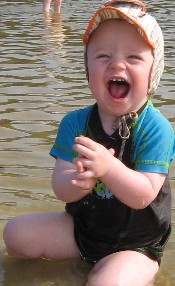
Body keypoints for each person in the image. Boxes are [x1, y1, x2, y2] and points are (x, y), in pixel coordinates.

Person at [3, 1, 175, 285]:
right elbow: (59, 186)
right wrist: (76, 182)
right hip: (83, 231)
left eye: (133, 57)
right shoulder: (75, 123)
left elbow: (144, 194)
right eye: (103, 55)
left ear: (153, 72)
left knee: (105, 283)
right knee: (16, 234)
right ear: (87, 69)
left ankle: (112, 272)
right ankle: (79, 266)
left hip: (134, 244)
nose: (117, 64)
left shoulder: (156, 128)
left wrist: (108, 168)